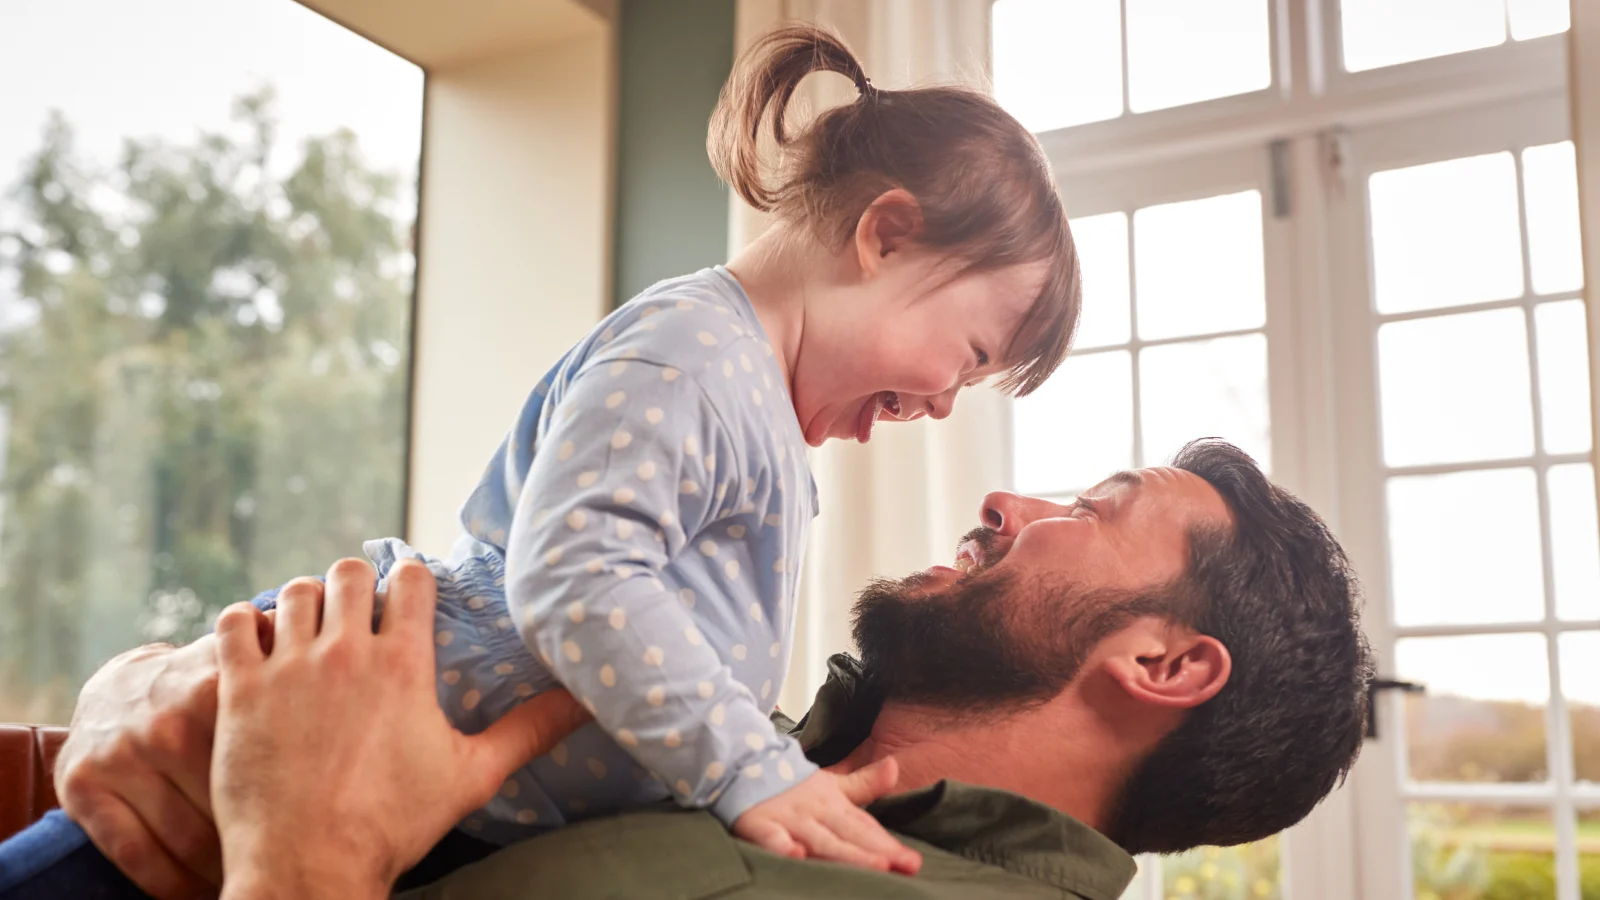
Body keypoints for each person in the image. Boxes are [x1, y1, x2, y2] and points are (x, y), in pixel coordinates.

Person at [1, 439, 1374, 899]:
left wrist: (300, 859)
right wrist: (129, 711)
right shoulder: (727, 744)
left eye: (1098, 506)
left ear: (1165, 660)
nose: (1013, 502)